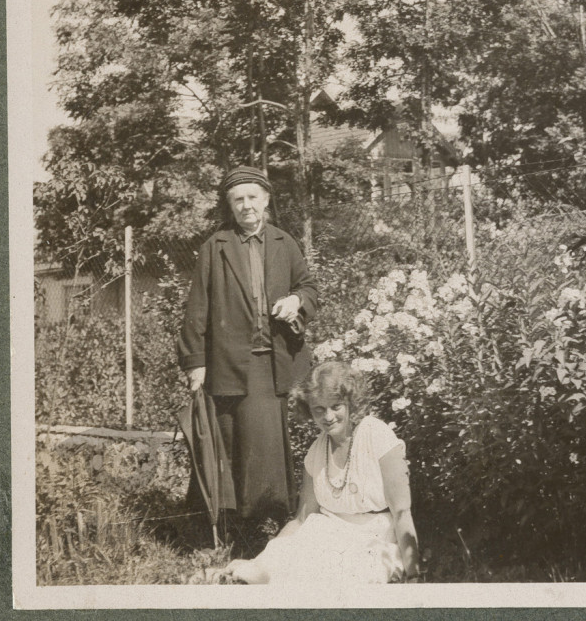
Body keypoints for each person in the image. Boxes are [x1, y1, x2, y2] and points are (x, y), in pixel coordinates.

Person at [177, 165, 317, 524]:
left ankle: (262, 520)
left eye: (252, 197)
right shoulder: (215, 247)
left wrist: (296, 301)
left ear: (266, 199)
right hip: (225, 360)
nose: (246, 206)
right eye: (238, 199)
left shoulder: (285, 243)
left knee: (265, 443)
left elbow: (309, 288)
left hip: (270, 361)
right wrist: (195, 364)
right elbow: (197, 309)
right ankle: (220, 522)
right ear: (230, 205)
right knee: (224, 439)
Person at [223, 360, 420, 585]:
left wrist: (413, 573)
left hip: (374, 539)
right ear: (309, 410)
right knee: (281, 562)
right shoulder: (316, 452)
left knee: (334, 576)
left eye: (336, 406)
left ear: (351, 403)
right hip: (326, 534)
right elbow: (301, 519)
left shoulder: (377, 435)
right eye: (319, 409)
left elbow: (402, 511)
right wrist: (262, 560)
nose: (327, 417)